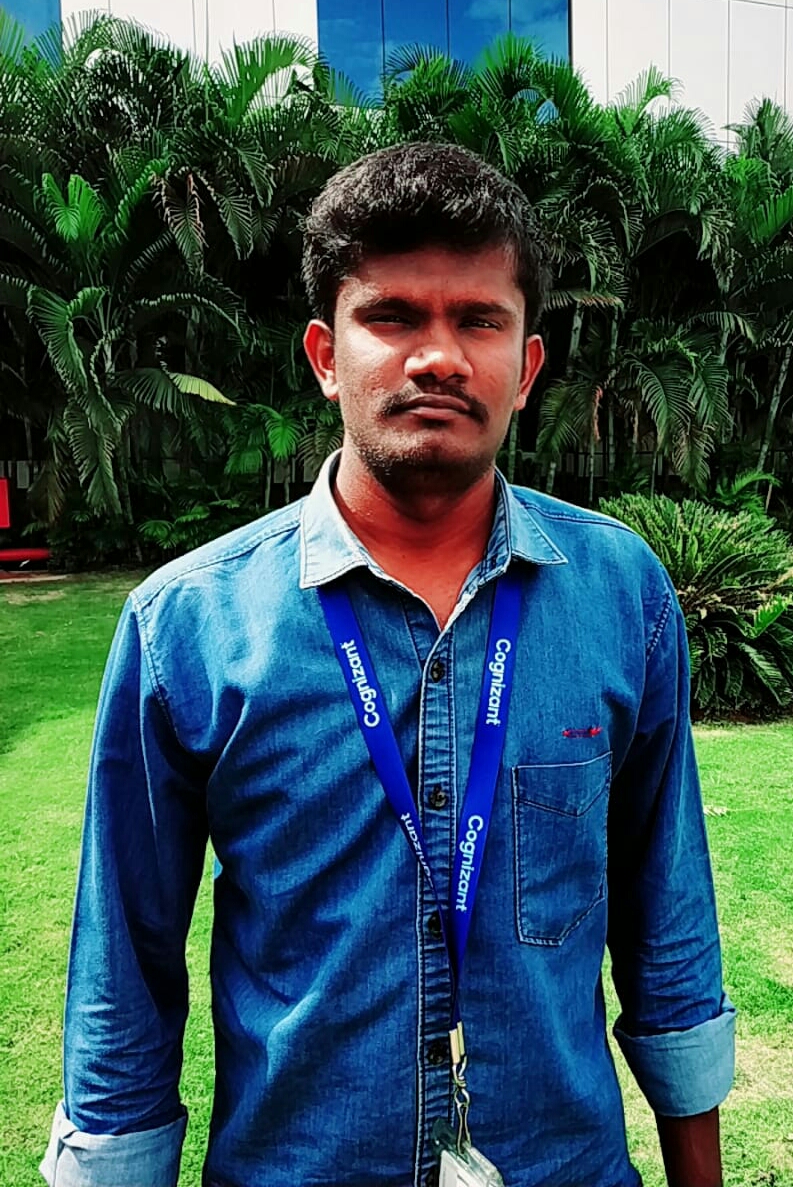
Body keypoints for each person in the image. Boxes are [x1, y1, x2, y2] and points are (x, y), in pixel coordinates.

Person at [41, 142, 735, 1187]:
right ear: (326, 355)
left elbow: (666, 909)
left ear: (526, 367)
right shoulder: (188, 626)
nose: (438, 357)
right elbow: (123, 970)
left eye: (479, 320)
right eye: (394, 316)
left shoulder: (619, 594)